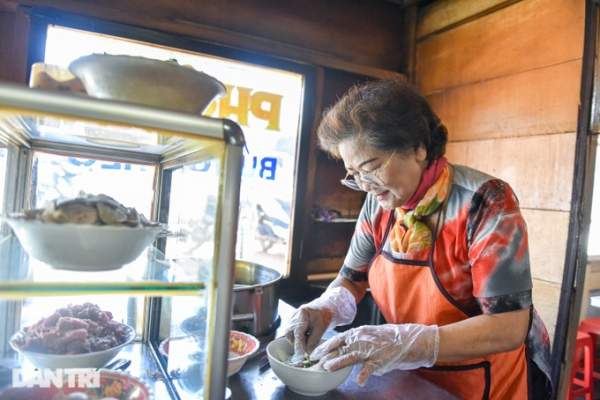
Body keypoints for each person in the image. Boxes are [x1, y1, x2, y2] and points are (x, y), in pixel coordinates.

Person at [285, 79, 553, 399]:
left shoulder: (485, 202)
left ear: (418, 148)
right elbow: (351, 279)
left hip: (482, 381)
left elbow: (508, 326)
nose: (365, 185)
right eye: (353, 175)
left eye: (370, 167)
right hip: (410, 377)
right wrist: (324, 308)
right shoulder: (379, 203)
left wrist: (405, 342)